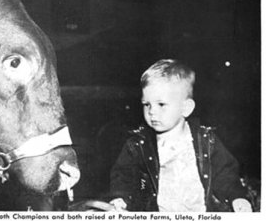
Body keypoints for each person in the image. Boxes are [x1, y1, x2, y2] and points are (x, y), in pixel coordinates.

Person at [108, 59, 252, 212]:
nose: (151, 111)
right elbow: (123, 176)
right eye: (147, 104)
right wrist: (120, 197)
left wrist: (237, 197)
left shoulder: (206, 141)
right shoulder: (137, 145)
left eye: (161, 104)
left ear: (186, 108)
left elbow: (225, 175)